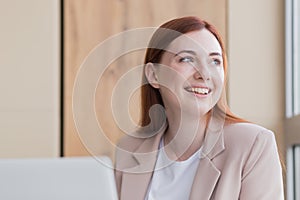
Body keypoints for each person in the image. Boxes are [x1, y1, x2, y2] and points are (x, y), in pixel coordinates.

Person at [114, 16, 284, 200]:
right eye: (187, 59)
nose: (204, 74)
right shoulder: (129, 149)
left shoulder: (253, 144)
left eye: (215, 61)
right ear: (154, 75)